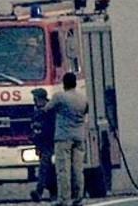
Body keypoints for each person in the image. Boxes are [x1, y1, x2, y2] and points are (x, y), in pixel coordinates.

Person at [43, 72, 89, 206]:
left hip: (63, 137)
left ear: (64, 83)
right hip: (79, 137)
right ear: (75, 83)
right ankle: (79, 197)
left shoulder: (60, 97)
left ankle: (64, 199)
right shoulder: (83, 98)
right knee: (78, 169)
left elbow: (47, 109)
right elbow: (86, 111)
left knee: (63, 170)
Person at [30, 88, 56, 202]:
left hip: (50, 143)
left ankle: (40, 191)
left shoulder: (49, 110)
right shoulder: (38, 111)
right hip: (43, 144)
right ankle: (50, 192)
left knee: (45, 168)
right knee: (47, 168)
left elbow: (49, 128)